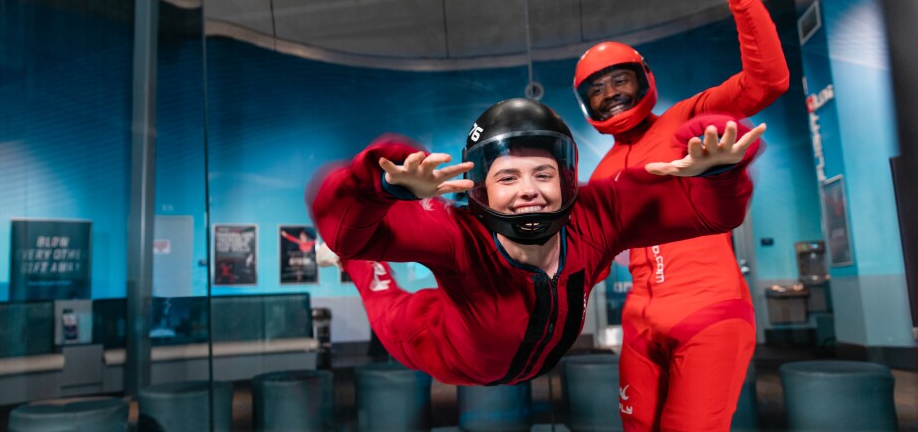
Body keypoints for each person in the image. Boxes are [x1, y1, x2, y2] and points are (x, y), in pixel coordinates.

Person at [308, 97, 765, 386]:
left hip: (521, 354)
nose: (529, 189)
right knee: (372, 278)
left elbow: (709, 214)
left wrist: (722, 172)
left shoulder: (596, 215)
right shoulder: (458, 235)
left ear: (565, 181)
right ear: (481, 190)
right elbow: (347, 226)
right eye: (508, 177)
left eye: (543, 173)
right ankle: (349, 266)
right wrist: (377, 187)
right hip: (437, 342)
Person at [572, 0, 789, 430]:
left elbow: (768, 80)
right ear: (586, 105)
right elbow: (590, 262)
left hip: (709, 314)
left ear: (644, 79)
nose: (610, 95)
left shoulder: (687, 119)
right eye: (597, 90)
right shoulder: (601, 173)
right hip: (639, 323)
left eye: (618, 80)